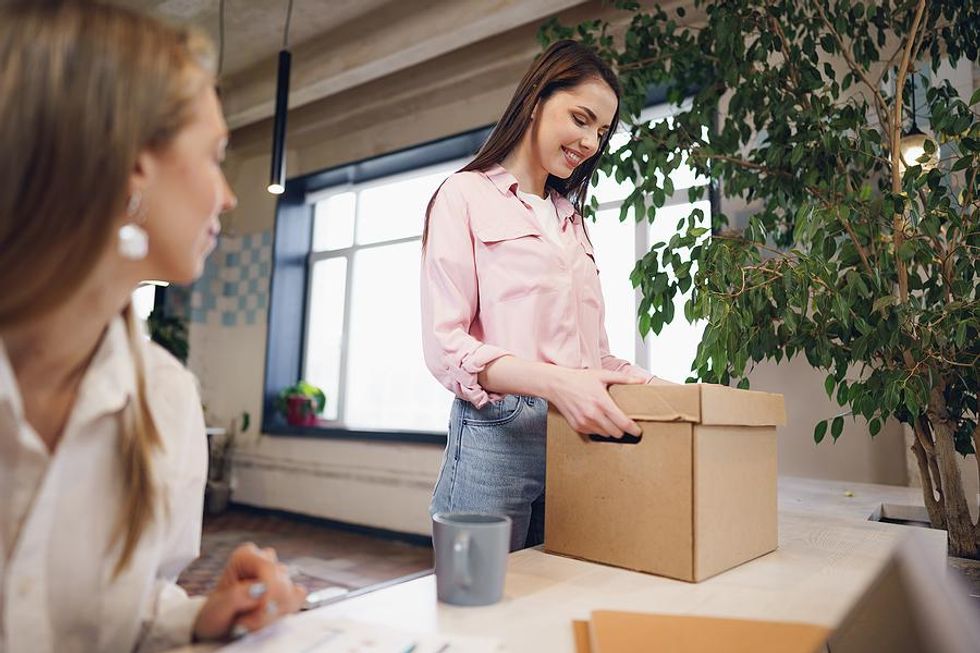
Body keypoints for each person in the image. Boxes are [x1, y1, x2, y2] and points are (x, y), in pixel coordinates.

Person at [0, 2, 305, 652]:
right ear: (134, 162)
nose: (227, 195)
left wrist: (193, 618)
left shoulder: (166, 399)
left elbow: (124, 617)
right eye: (216, 156)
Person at [421, 39, 672, 552]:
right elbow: (446, 346)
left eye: (602, 132)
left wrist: (676, 394)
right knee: (478, 610)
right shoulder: (462, 195)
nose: (591, 142)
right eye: (580, 119)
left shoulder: (571, 221)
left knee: (552, 607)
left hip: (572, 442)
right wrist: (558, 384)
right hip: (497, 435)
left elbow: (594, 356)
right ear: (536, 100)